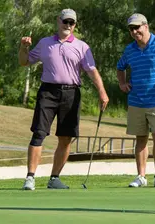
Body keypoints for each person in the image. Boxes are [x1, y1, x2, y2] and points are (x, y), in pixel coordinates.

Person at [19, 9, 109, 190]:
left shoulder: (82, 47)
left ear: (74, 25)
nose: (68, 25)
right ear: (58, 21)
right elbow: (24, 62)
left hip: (71, 93)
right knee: (39, 133)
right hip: (48, 92)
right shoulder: (45, 43)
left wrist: (102, 92)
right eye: (65, 21)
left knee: (66, 137)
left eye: (71, 23)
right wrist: (23, 47)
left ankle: (54, 178)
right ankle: (30, 177)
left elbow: (91, 70)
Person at [117, 13, 155, 188]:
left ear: (146, 26)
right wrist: (122, 83)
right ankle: (141, 176)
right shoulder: (130, 49)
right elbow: (120, 67)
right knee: (141, 138)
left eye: (137, 27)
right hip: (136, 100)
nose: (135, 31)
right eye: (131, 28)